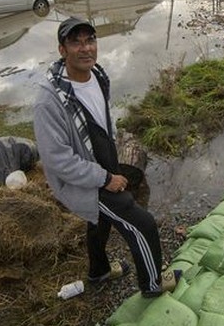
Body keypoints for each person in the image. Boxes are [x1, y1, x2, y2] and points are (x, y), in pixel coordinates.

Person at [33, 17, 178, 297]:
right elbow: (57, 160)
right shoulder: (49, 100)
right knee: (142, 223)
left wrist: (112, 161)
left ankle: (98, 272)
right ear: (62, 50)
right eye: (75, 42)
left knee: (99, 221)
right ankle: (153, 284)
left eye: (90, 40)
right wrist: (105, 178)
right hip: (84, 179)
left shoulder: (97, 76)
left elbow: (102, 122)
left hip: (104, 162)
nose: (85, 48)